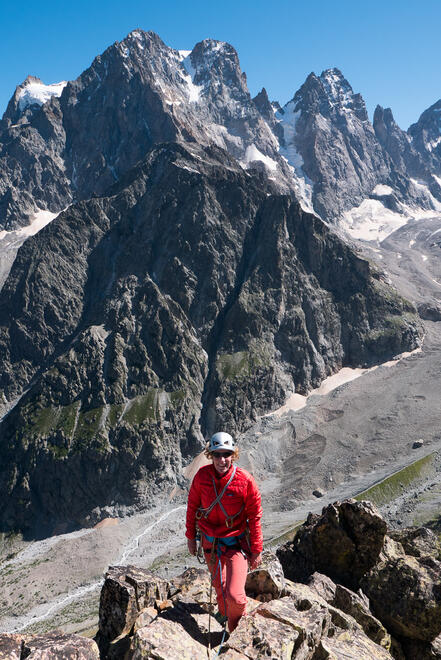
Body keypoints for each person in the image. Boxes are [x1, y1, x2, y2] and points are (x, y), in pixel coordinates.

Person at [186, 431, 263, 632]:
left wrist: (256, 550)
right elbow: (192, 507)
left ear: (233, 455)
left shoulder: (245, 481)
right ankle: (229, 623)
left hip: (236, 545)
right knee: (220, 592)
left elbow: (254, 517)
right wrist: (191, 538)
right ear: (211, 455)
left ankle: (237, 630)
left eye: (226, 454)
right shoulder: (202, 478)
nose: (222, 460)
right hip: (211, 546)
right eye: (217, 454)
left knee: (235, 596)